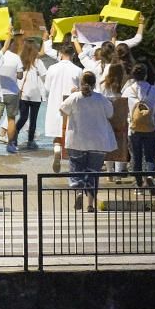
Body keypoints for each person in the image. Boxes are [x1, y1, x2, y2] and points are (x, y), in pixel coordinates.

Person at [59, 71, 117, 212]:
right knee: (93, 172)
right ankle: (90, 204)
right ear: (94, 83)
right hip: (98, 142)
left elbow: (62, 111)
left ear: (81, 83)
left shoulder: (74, 98)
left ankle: (79, 192)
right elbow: (110, 114)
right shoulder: (101, 98)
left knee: (76, 168)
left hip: (77, 141)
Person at [42, 41, 83, 173]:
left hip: (56, 104)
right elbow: (82, 90)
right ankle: (73, 164)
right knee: (72, 135)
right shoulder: (78, 70)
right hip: (72, 105)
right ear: (73, 54)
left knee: (57, 133)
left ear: (60, 53)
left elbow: (47, 88)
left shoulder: (52, 69)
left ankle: (57, 150)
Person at [123, 63, 155, 196]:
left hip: (133, 128)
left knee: (136, 157)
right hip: (151, 127)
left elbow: (123, 108)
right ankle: (150, 176)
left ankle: (139, 185)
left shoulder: (128, 90)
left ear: (133, 76)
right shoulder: (153, 89)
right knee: (150, 156)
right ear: (145, 75)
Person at [13, 38, 47, 151]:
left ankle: (14, 137)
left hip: (23, 93)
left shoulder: (19, 60)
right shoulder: (38, 62)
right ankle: (31, 141)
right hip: (36, 94)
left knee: (23, 117)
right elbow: (45, 77)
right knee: (33, 119)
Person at [0, 35, 23, 153]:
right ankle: (10, 145)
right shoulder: (16, 58)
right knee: (11, 119)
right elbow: (20, 75)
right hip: (12, 92)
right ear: (11, 44)